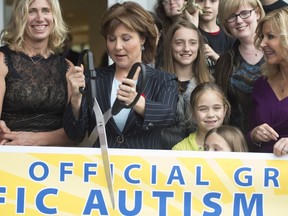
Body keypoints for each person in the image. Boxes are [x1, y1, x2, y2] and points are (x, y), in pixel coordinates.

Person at [63, 2, 178, 149]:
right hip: (101, 168)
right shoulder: (92, 79)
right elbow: (74, 134)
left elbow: (169, 117)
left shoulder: (164, 80)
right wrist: (76, 100)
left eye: (126, 38)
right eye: (111, 39)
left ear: (142, 39)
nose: (117, 46)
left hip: (144, 169)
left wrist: (136, 101)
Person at [0, 0, 82, 146]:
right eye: (31, 11)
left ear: (54, 17)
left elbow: (74, 135)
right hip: (10, 157)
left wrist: (34, 140)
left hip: (53, 162)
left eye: (46, 10)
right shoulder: (2, 60)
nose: (39, 18)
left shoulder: (67, 68)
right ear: (20, 17)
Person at [214, 0, 265, 137]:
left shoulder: (276, 51)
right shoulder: (224, 62)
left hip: (276, 139)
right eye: (232, 16)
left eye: (244, 13)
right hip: (238, 142)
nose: (239, 20)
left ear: (258, 13)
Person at [161, 19, 213, 149]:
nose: (186, 48)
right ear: (170, 46)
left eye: (192, 43)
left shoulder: (211, 82)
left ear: (199, 47)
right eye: (179, 43)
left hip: (200, 158)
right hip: (163, 156)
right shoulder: (156, 81)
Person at [249, 7, 288, 157]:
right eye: (262, 37)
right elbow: (250, 138)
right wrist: (254, 135)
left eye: (270, 36)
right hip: (263, 175)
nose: (262, 43)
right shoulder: (261, 84)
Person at [172, 82, 231, 151]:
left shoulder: (235, 144)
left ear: (225, 110)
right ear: (193, 112)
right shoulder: (180, 150)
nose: (210, 115)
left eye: (216, 108)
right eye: (203, 109)